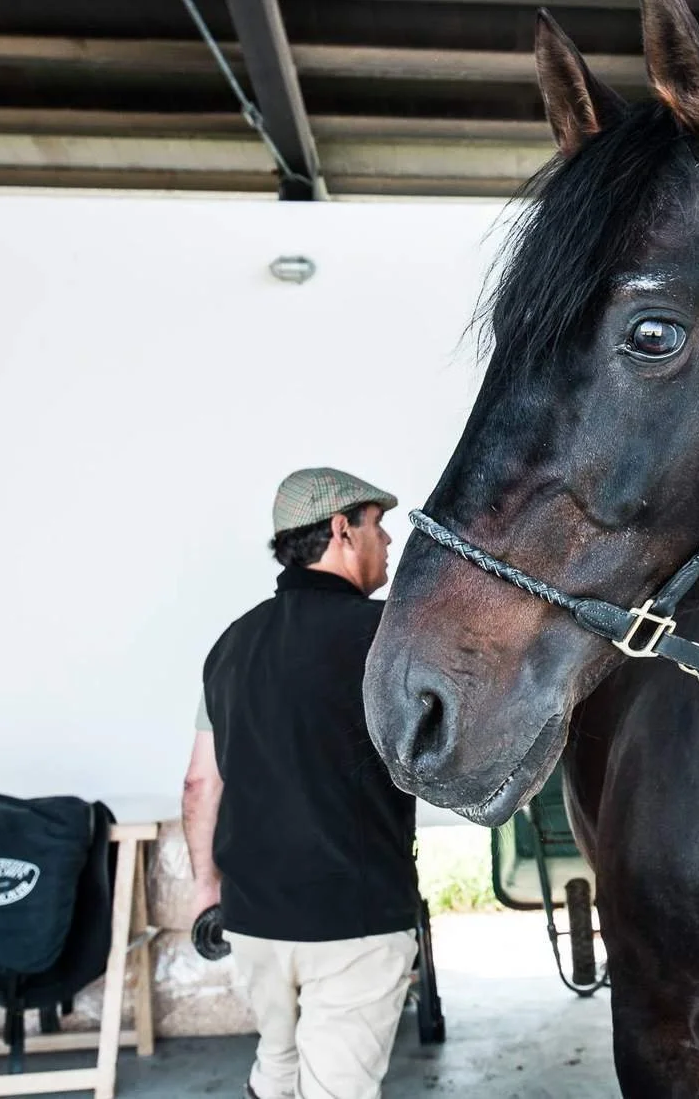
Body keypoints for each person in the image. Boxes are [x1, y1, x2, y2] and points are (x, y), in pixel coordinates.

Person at [182, 467, 418, 1099]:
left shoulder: (230, 646)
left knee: (278, 1064)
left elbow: (201, 785)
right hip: (354, 921)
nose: (388, 541)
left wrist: (206, 889)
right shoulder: (387, 638)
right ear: (342, 530)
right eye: (378, 525)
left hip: (252, 920)